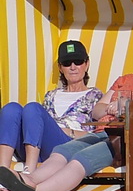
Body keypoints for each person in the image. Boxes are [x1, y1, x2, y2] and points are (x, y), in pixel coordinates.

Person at [0, 40, 110, 175]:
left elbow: (100, 136)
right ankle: (3, 171)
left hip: (68, 147)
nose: (73, 67)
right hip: (38, 148)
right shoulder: (50, 95)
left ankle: (29, 173)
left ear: (86, 64)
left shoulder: (96, 96)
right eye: (67, 63)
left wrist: (69, 132)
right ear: (60, 67)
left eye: (78, 61)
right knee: (11, 109)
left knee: (33, 108)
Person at [0, 132, 116, 191]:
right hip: (103, 132)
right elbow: (98, 110)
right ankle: (30, 180)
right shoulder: (116, 92)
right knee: (62, 151)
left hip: (123, 138)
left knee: (82, 158)